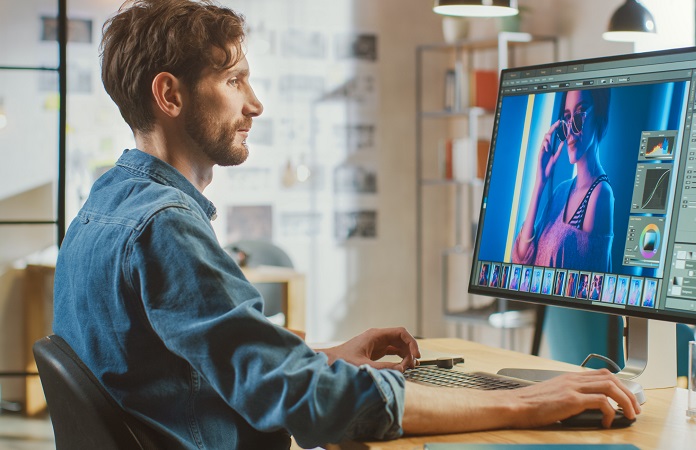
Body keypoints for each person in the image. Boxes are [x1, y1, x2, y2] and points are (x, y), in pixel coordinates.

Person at [52, 1, 640, 449]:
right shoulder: (166, 229)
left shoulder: (103, 206)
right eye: (234, 81)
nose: (254, 104)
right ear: (169, 95)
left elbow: (182, 374)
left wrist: (328, 357)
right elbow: (308, 403)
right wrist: (527, 404)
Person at [511, 89, 614, 272]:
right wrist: (539, 183)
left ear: (597, 113)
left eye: (579, 115)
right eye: (567, 118)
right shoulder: (561, 190)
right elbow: (520, 260)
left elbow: (588, 289)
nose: (571, 130)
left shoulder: (600, 195)